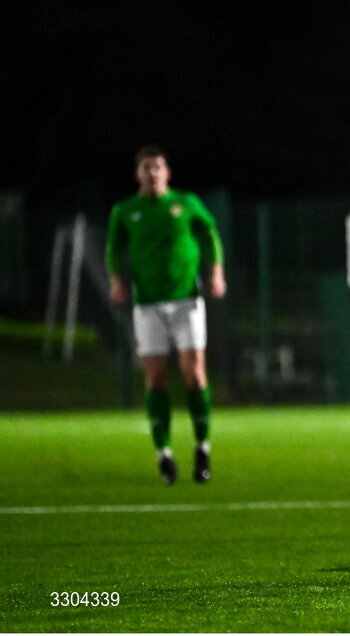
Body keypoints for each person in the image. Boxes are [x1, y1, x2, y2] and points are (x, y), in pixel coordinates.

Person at [106, 146, 226, 485]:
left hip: (187, 300)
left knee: (195, 377)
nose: (152, 173)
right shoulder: (126, 211)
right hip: (147, 305)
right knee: (156, 379)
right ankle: (164, 454)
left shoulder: (186, 203)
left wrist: (216, 271)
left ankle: (202, 447)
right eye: (146, 168)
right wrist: (117, 282)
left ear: (167, 172)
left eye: (157, 167)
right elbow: (113, 248)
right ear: (138, 174)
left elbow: (210, 232)